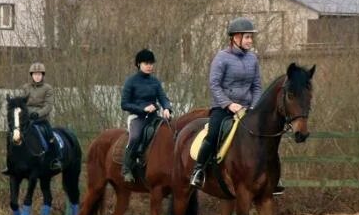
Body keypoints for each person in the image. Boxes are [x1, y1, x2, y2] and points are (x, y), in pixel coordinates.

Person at [190, 17, 285, 193]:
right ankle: (199, 170)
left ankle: (274, 177)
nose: (250, 41)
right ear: (235, 38)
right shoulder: (222, 58)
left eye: (251, 37)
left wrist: (254, 107)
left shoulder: (252, 59)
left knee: (268, 137)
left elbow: (257, 86)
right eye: (247, 37)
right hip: (223, 108)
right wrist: (228, 104)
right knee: (213, 134)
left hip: (248, 109)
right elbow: (214, 85)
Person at [120, 48, 172, 182]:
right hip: (137, 117)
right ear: (138, 64)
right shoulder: (130, 81)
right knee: (136, 136)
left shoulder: (155, 82)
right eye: (146, 63)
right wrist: (142, 109)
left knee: (168, 131)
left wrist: (167, 108)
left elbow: (163, 97)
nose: (149, 66)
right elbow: (124, 104)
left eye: (151, 63)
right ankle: (126, 168)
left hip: (154, 117)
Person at [11, 61, 62, 171]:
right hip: (27, 119)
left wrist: (38, 114)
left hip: (41, 119)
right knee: (14, 134)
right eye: (35, 74)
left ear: (42, 75)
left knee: (50, 136)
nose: (37, 76)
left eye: (39, 74)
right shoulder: (26, 87)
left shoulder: (48, 88)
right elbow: (21, 102)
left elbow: (48, 106)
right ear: (32, 75)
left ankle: (55, 159)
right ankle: (12, 161)